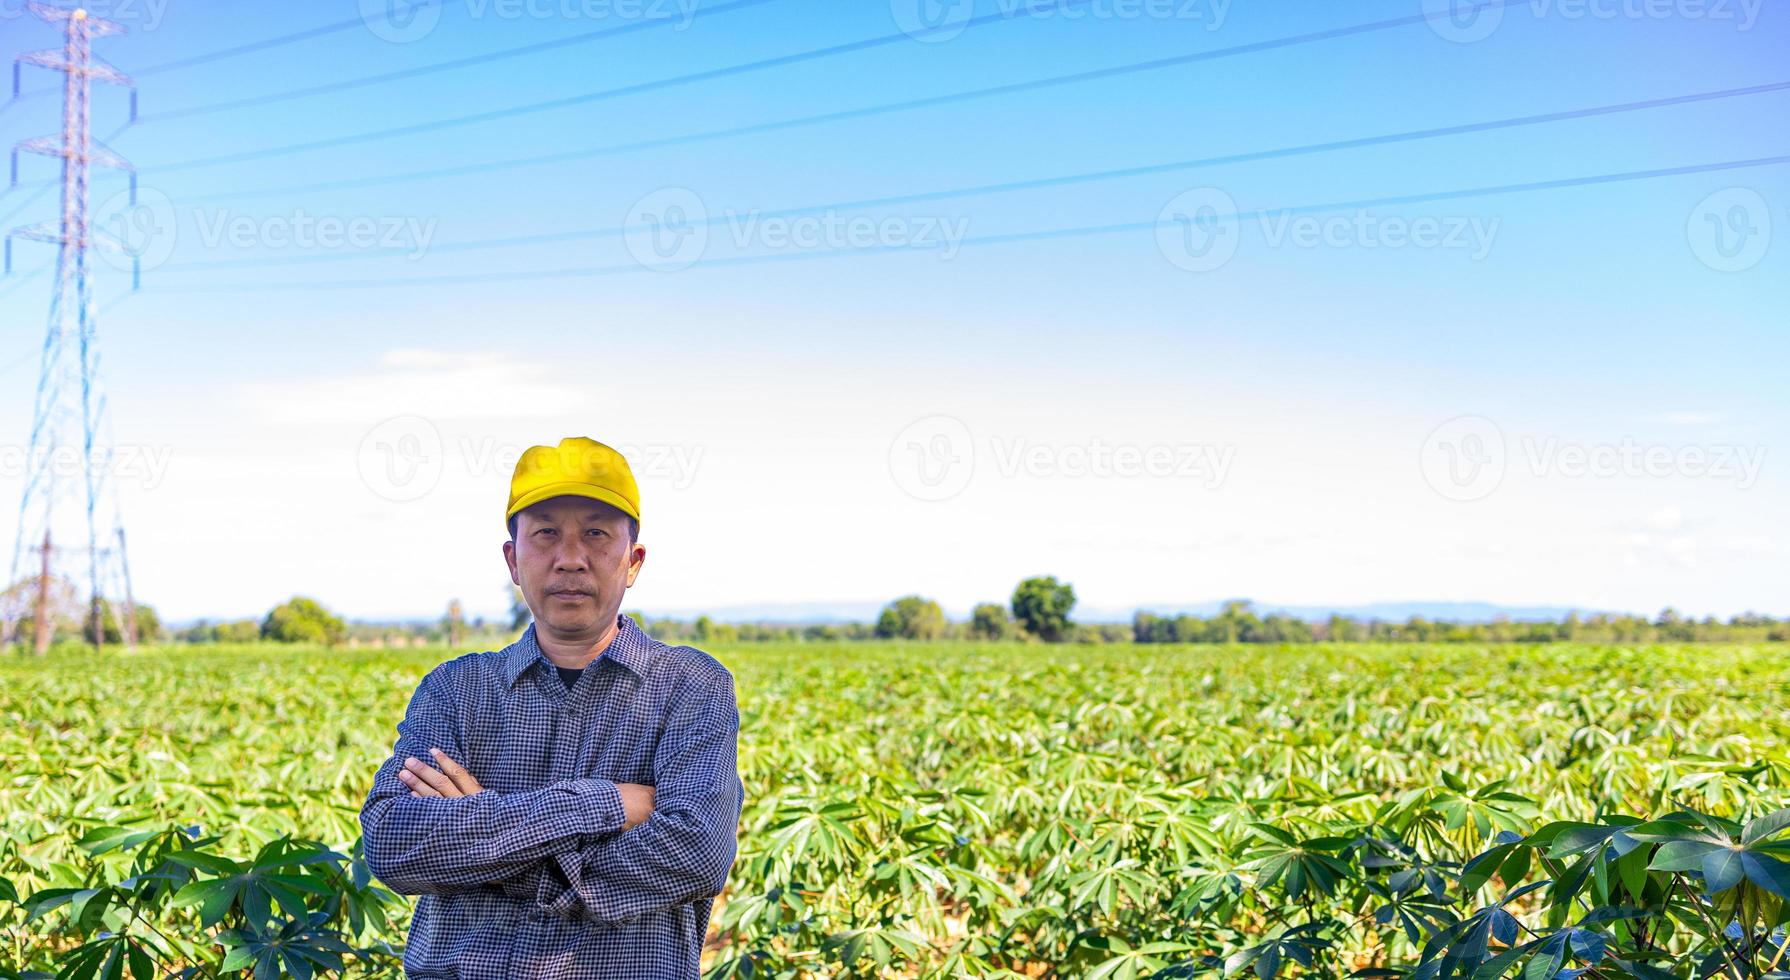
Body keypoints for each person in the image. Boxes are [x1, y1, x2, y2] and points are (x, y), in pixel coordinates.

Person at [359, 436, 744, 979]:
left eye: (595, 533)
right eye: (545, 533)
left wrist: (487, 840)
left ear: (632, 561)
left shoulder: (690, 686)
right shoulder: (455, 688)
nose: (569, 558)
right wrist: (605, 803)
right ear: (513, 560)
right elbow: (395, 840)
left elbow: (694, 850)